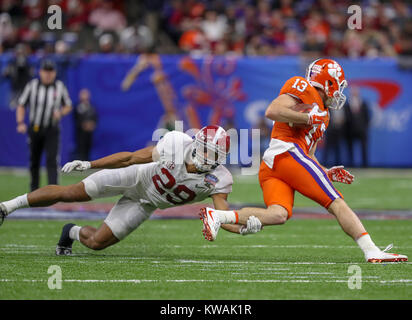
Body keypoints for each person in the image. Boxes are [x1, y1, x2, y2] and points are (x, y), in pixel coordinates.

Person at [199, 59, 407, 263]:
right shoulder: (303, 87)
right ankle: (371, 250)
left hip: (277, 164)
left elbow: (309, 154)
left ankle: (217, 217)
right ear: (329, 83)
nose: (340, 93)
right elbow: (273, 111)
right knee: (336, 202)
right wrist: (308, 118)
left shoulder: (324, 115)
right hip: (286, 152)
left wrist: (325, 171)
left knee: (278, 214)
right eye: (339, 86)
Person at [0, 126, 262, 255]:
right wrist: (90, 164)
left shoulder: (220, 179)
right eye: (206, 149)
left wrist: (241, 228)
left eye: (215, 153)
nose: (208, 156)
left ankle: (70, 231)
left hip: (146, 203)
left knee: (96, 243)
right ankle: (7, 206)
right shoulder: (176, 143)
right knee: (69, 193)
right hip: (133, 178)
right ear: (197, 143)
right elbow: (131, 159)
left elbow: (221, 215)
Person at [16, 59, 72, 191]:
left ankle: (53, 191)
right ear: (40, 72)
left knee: (52, 160)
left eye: (50, 71)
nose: (48, 74)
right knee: (34, 160)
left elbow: (68, 105)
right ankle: (34, 190)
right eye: (45, 71)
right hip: (35, 128)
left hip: (52, 129)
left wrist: (61, 113)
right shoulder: (32, 85)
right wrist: (20, 122)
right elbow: (21, 104)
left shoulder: (59, 86)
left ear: (54, 73)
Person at [343, 86, 370, 168]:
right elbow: (346, 117)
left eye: (356, 92)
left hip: (362, 130)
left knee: (364, 148)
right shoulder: (347, 104)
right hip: (350, 130)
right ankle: (351, 165)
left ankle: (365, 165)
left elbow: (367, 117)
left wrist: (365, 127)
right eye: (353, 92)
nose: (354, 93)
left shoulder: (363, 103)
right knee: (350, 148)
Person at [74, 89, 98, 161]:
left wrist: (92, 124)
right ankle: (80, 162)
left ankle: (87, 162)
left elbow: (95, 117)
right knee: (81, 148)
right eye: (83, 94)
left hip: (89, 133)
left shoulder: (92, 107)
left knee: (88, 147)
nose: (84, 96)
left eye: (86, 94)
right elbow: (76, 118)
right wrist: (83, 125)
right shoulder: (77, 107)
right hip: (80, 133)